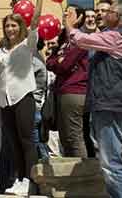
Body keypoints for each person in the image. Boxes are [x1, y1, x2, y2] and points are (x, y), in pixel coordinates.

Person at [69, 0, 122, 198]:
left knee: (111, 163)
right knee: (110, 160)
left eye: (110, 11)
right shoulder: (120, 36)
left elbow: (80, 39)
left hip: (112, 105)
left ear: (118, 17)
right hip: (114, 104)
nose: (103, 14)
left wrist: (69, 25)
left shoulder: (117, 37)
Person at [0, 0, 45, 197]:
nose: (10, 29)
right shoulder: (0, 50)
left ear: (19, 27)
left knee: (26, 141)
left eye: (14, 25)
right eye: (7, 26)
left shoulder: (27, 45)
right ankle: (20, 179)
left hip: (23, 97)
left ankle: (30, 180)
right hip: (5, 101)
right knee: (13, 143)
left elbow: (35, 23)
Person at [46, 12, 90, 158]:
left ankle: (82, 172)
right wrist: (58, 60)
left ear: (79, 18)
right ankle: (72, 172)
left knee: (74, 137)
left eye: (70, 12)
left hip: (75, 91)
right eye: (64, 12)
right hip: (62, 91)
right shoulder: (63, 41)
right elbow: (50, 61)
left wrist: (59, 61)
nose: (65, 14)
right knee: (65, 138)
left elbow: (64, 65)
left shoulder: (80, 39)